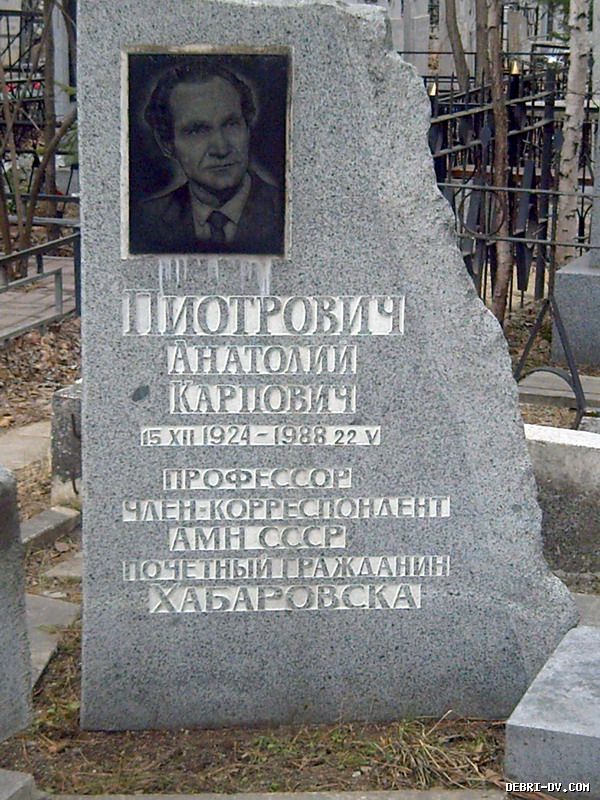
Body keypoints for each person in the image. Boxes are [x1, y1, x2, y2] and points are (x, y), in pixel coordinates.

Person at [130, 61, 284, 255]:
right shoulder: (144, 220)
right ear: (167, 144)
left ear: (247, 128)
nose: (221, 149)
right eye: (197, 131)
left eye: (231, 124)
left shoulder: (285, 211)